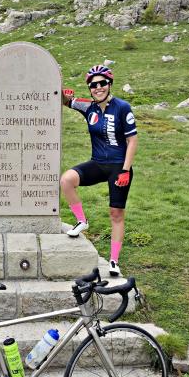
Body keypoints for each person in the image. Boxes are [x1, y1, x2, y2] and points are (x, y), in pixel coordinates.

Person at [60, 65, 138, 277]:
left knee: (116, 214)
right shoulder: (88, 108)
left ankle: (114, 260)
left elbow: (132, 141)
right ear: (90, 89)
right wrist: (65, 96)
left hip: (119, 167)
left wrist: (125, 170)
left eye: (102, 83)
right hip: (97, 163)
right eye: (93, 85)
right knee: (67, 180)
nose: (98, 88)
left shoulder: (122, 107)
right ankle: (82, 221)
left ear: (109, 84)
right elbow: (66, 102)